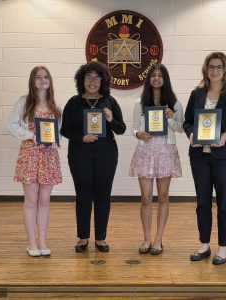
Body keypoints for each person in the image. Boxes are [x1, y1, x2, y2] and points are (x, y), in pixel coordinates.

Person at [183, 52, 226, 265]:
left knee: (224, 203)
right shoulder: (197, 94)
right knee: (202, 202)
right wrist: (191, 134)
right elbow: (187, 122)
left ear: (225, 69)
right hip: (199, 157)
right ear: (206, 69)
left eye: (219, 67)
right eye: (211, 66)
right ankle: (204, 245)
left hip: (225, 158)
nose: (214, 70)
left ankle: (222, 248)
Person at [61, 61, 126, 253]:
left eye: (96, 77)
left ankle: (100, 238)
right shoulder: (74, 102)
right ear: (82, 80)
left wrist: (110, 120)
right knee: (83, 196)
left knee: (103, 196)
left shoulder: (110, 101)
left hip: (106, 154)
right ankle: (83, 237)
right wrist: (82, 138)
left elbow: (121, 129)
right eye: (88, 77)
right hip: (79, 153)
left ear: (102, 81)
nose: (92, 81)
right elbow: (64, 130)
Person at [128, 64, 183, 255]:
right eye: (153, 75)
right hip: (145, 152)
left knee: (163, 196)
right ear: (149, 79)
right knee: (145, 198)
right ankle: (146, 238)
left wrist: (169, 117)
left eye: (160, 75)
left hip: (166, 151)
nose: (157, 78)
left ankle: (158, 239)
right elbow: (134, 128)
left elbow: (180, 128)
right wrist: (138, 134)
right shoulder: (139, 102)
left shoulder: (175, 103)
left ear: (165, 79)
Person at [7, 66, 62, 257]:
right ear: (33, 81)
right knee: (31, 200)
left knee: (44, 200)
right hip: (29, 155)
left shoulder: (55, 106)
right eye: (38, 77)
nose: (42, 80)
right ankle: (31, 243)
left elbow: (58, 134)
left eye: (46, 77)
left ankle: (43, 241)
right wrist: (31, 135)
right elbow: (11, 125)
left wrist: (56, 142)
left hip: (48, 157)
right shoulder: (24, 102)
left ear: (50, 81)